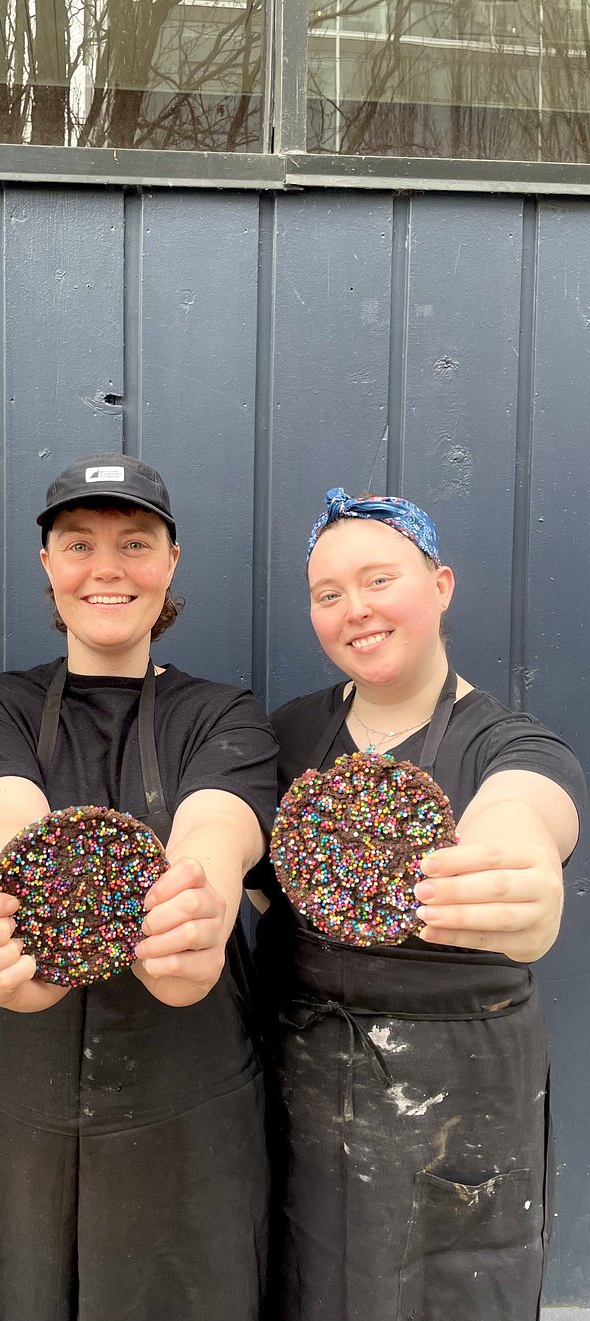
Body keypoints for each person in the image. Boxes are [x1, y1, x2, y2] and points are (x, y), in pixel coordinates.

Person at [0, 454, 277, 1321]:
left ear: (171, 562)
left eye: (134, 542)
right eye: (79, 543)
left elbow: (217, 830)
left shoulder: (227, 714)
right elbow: (3, 824)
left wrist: (197, 911)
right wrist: (24, 911)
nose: (106, 567)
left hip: (188, 1113)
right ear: (47, 565)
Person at [252, 487, 586, 1321]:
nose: (354, 609)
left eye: (379, 579)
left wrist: (524, 878)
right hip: (301, 1090)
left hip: (462, 1115)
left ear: (440, 584)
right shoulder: (287, 737)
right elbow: (254, 884)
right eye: (328, 595)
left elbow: (528, 807)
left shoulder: (505, 742)